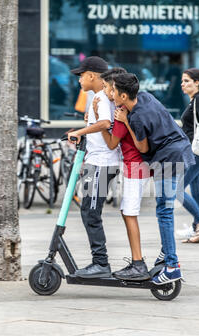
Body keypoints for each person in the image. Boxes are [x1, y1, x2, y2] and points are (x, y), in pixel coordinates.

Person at [112, 73, 195, 285]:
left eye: (113, 91)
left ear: (123, 95)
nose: (111, 95)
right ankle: (165, 254)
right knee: (165, 209)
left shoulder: (135, 117)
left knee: (164, 212)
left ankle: (172, 265)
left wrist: (126, 121)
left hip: (168, 158)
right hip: (180, 150)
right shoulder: (146, 96)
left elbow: (142, 147)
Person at [93, 67, 151, 281]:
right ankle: (138, 262)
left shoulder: (120, 114)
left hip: (135, 166)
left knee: (129, 213)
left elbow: (111, 144)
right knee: (128, 212)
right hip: (137, 166)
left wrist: (100, 122)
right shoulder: (132, 106)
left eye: (110, 88)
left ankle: (138, 263)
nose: (108, 92)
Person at [67, 56, 120, 279]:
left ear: (91, 75)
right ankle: (99, 262)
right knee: (88, 210)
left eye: (81, 75)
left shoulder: (100, 95)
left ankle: (100, 263)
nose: (79, 80)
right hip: (97, 162)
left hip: (102, 163)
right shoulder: (102, 97)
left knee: (90, 212)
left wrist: (79, 132)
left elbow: (106, 124)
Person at [176, 68, 199, 243]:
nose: (183, 84)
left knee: (176, 189)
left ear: (197, 82)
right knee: (197, 193)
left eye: (187, 81)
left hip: (198, 152)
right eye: (182, 81)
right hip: (196, 151)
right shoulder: (195, 100)